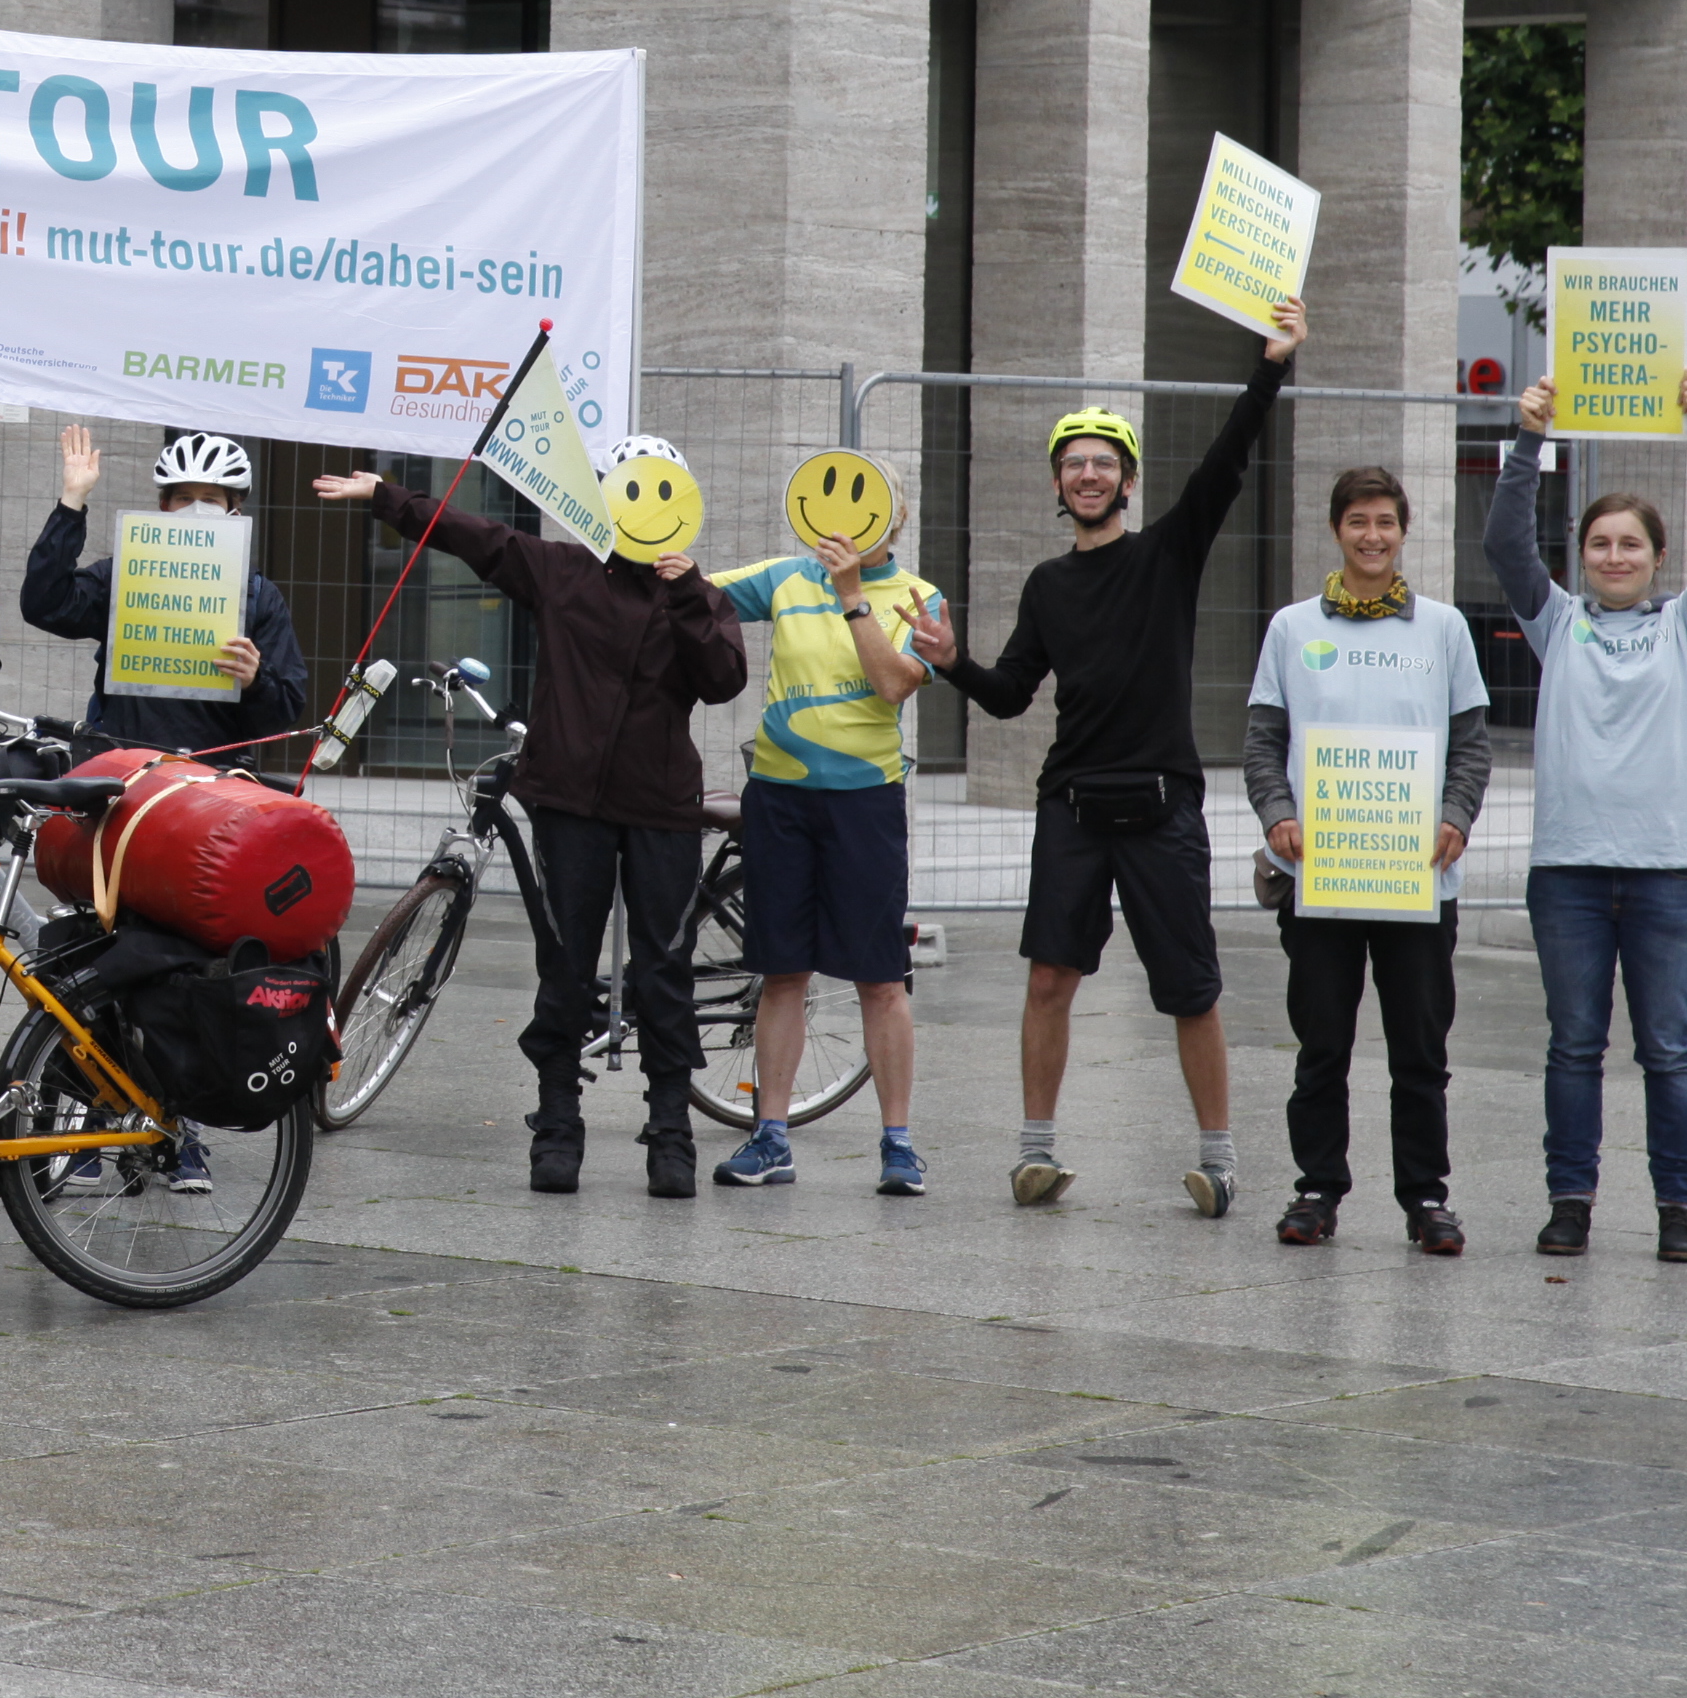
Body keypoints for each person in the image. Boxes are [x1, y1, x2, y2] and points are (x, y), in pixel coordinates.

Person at [913, 295, 1304, 1215]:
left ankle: (1220, 1159)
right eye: (1073, 465)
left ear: (1128, 481)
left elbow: (1226, 460)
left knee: (1190, 988)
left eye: (1104, 464)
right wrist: (952, 664)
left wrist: (1272, 365)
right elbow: (1011, 693)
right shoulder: (1048, 583)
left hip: (1163, 803)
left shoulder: (1167, 553)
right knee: (1051, 977)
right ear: (1058, 486)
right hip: (1074, 807)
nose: (1089, 476)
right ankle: (1034, 1152)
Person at [312, 449, 747, 1200]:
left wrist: (688, 595)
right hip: (569, 803)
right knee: (565, 966)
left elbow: (724, 678)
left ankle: (669, 1131)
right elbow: (475, 536)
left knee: (664, 967)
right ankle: (558, 1124)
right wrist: (386, 495)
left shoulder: (699, 597)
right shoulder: (563, 570)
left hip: (660, 807)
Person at [1488, 367, 1687, 1265]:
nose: (1615, 556)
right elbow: (1504, 544)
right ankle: (1572, 1202)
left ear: (1657, 557)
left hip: (1669, 874)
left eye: (1631, 544)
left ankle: (1680, 1210)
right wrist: (1526, 438)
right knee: (1574, 1048)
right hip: (1569, 875)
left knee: (1668, 1051)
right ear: (1581, 553)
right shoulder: (1558, 623)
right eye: (1599, 543)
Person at [1244, 464, 1493, 1256]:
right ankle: (1317, 1188)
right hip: (1321, 878)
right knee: (1322, 1046)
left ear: (1404, 531)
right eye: (1358, 522)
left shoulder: (1444, 629)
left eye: (1385, 521)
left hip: (1417, 879)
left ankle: (1426, 1196)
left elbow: (1473, 746)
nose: (1373, 536)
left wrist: (1456, 817)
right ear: (1336, 530)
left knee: (1421, 1051)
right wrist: (1278, 815)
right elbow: (1262, 742)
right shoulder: (1291, 628)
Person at [712, 487, 944, 1200]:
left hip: (865, 802)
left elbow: (894, 684)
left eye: (870, 507)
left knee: (880, 976)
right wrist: (654, 548)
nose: (845, 524)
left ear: (896, 519)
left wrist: (852, 595)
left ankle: (899, 1145)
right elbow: (693, 593)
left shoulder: (918, 595)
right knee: (783, 972)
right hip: (780, 798)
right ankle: (771, 1137)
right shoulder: (785, 577)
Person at [19, 428, 309, 755]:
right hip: (124, 769)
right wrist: (72, 500)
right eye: (184, 498)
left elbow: (281, 714)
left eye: (211, 500)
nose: (196, 509)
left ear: (234, 512)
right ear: (164, 507)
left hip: (213, 777)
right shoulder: (126, 576)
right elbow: (44, 604)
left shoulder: (259, 596)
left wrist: (255, 681)